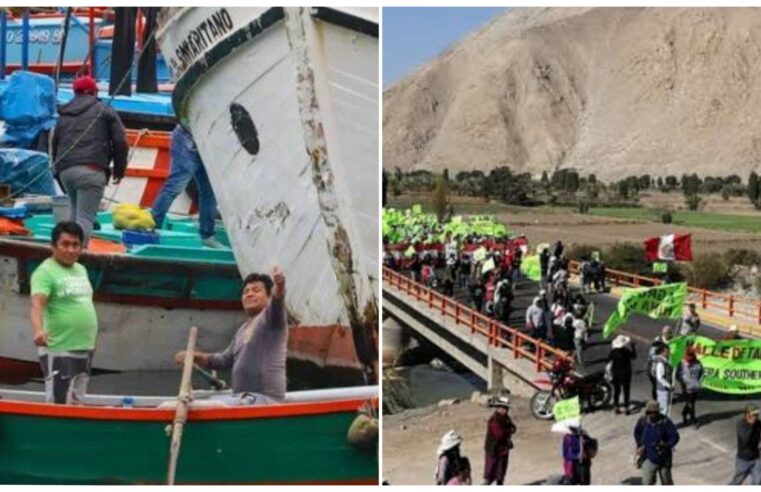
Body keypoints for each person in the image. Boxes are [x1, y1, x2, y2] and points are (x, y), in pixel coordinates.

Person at [175, 267, 287, 405]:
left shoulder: (271, 319)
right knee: (207, 401)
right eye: (246, 292)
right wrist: (193, 356)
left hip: (264, 399)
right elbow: (224, 360)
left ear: (269, 296)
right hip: (242, 398)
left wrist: (280, 286)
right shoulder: (242, 330)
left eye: (256, 290)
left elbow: (277, 302)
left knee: (207, 406)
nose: (250, 294)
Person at [52, 75, 128, 246]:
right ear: (94, 91)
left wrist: (58, 173)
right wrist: (119, 170)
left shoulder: (64, 114)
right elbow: (120, 141)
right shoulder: (105, 109)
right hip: (91, 169)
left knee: (74, 213)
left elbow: (55, 144)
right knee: (85, 217)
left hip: (66, 170)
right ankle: (78, 257)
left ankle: (65, 253)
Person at [30, 222, 98, 404]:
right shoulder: (45, 272)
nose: (71, 250)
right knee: (59, 403)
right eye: (65, 244)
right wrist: (38, 331)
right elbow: (37, 304)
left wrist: (92, 340)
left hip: (84, 348)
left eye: (75, 245)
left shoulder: (81, 270)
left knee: (77, 401)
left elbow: (84, 305)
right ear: (53, 246)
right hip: (60, 348)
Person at [151, 124, 224, 248]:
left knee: (209, 191)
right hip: (188, 138)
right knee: (175, 186)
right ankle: (152, 228)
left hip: (208, 141)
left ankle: (207, 235)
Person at [634, 400, 680, 485]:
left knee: (666, 481)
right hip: (648, 457)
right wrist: (640, 445)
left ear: (658, 412)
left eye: (654, 412)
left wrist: (666, 445)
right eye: (649, 412)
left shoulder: (665, 422)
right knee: (647, 482)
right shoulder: (643, 421)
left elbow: (675, 436)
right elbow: (637, 432)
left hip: (664, 458)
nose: (651, 415)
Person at [483, 395, 516, 485]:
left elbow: (513, 428)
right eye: (503, 408)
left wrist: (509, 429)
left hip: (503, 450)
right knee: (490, 477)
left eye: (506, 408)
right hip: (493, 451)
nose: (505, 410)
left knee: (500, 476)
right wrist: (509, 430)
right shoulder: (494, 420)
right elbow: (500, 435)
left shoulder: (506, 418)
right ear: (497, 408)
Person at [729, 405, 761, 485]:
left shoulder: (758, 423)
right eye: (753, 415)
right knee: (736, 482)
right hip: (743, 460)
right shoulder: (741, 425)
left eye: (757, 415)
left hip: (756, 459)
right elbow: (746, 439)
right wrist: (751, 425)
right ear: (747, 415)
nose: (755, 417)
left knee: (758, 482)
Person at [608, 335, 637, 415]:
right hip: (626, 373)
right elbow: (634, 356)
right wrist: (633, 347)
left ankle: (616, 407)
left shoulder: (613, 352)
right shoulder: (626, 351)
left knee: (617, 391)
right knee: (626, 391)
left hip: (616, 373)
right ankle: (626, 408)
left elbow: (609, 359)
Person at [675, 347, 703, 428]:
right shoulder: (681, 363)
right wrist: (683, 382)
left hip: (695, 385)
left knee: (691, 402)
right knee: (691, 404)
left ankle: (684, 413)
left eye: (692, 355)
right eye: (689, 355)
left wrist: (698, 381)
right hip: (686, 386)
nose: (690, 358)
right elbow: (677, 375)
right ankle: (693, 420)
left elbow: (701, 372)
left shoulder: (697, 362)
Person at [647, 326, 673, 400]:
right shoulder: (657, 343)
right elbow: (652, 357)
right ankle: (656, 399)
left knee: (668, 382)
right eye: (666, 333)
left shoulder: (673, 341)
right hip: (654, 369)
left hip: (667, 368)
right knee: (656, 385)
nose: (668, 334)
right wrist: (663, 358)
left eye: (669, 333)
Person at [651, 344, 673, 417]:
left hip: (664, 389)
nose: (669, 352)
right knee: (664, 409)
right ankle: (662, 425)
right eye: (667, 351)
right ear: (662, 352)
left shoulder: (666, 361)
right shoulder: (661, 363)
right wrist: (669, 385)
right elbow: (660, 377)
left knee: (663, 407)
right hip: (663, 389)